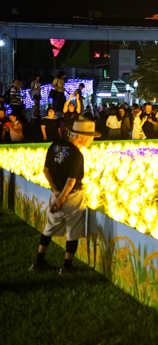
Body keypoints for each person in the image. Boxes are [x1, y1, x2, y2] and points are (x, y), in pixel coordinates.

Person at [29, 117, 100, 274]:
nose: (92, 139)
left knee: (49, 228)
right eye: (90, 136)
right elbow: (71, 181)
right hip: (72, 197)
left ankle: (39, 262)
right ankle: (67, 266)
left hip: (55, 195)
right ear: (79, 136)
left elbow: (46, 170)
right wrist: (61, 199)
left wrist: (55, 193)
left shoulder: (54, 146)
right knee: (73, 230)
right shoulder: (76, 155)